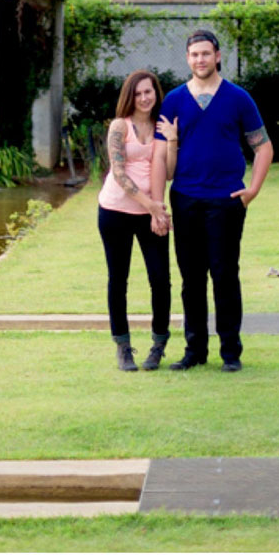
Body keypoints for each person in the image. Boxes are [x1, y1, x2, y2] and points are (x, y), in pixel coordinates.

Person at [152, 29, 273, 372]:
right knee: (191, 279)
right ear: (187, 58)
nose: (200, 60)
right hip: (186, 199)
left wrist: (253, 189)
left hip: (226, 201)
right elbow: (161, 157)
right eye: (194, 55)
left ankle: (230, 352)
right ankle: (194, 350)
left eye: (206, 54)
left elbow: (263, 147)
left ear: (218, 56)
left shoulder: (238, 98)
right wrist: (158, 203)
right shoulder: (174, 100)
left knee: (225, 275)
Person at [97, 69, 175, 372]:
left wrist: (173, 140)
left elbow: (168, 172)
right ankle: (123, 347)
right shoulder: (120, 126)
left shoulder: (161, 126)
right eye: (138, 93)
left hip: (150, 212)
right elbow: (118, 172)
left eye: (149, 91)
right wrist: (154, 207)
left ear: (156, 93)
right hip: (115, 211)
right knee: (118, 279)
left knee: (160, 279)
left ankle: (158, 345)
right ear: (130, 96)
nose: (144, 98)